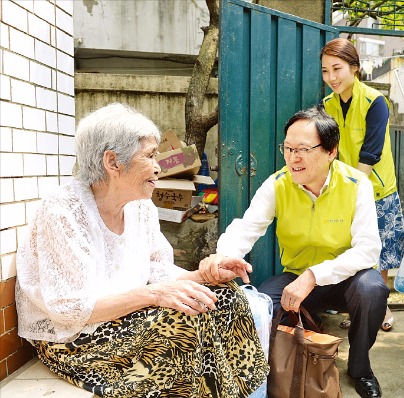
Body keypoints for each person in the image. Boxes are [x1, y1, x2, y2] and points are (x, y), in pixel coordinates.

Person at [15, 103, 269, 398]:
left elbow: (159, 272)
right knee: (184, 321)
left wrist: (203, 275)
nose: (159, 166)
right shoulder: (64, 212)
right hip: (74, 340)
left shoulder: (141, 207)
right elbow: (71, 309)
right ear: (113, 162)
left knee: (225, 297)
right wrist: (154, 295)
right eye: (149, 156)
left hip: (125, 318)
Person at [199, 106, 388, 398]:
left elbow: (367, 250)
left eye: (302, 149)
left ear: (330, 151)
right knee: (261, 303)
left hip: (345, 280)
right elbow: (245, 228)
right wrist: (225, 256)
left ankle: (360, 368)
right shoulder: (277, 184)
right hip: (296, 276)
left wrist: (315, 275)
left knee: (372, 289)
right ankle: (272, 369)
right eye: (287, 148)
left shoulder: (356, 184)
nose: (292, 158)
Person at [321, 37, 404, 332]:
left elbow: (371, 151)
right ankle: (358, 306)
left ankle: (381, 309)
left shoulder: (375, 101)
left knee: (379, 255)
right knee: (353, 252)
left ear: (354, 68)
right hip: (346, 189)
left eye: (337, 68)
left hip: (377, 189)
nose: (331, 77)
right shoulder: (327, 105)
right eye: (325, 71)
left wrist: (353, 189)